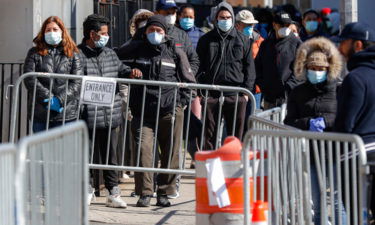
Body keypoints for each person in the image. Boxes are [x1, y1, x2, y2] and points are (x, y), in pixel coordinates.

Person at [119, 15, 196, 207]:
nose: (155, 34)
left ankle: (164, 192)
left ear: (165, 33)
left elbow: (189, 78)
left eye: (159, 31)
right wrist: (130, 71)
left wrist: (182, 102)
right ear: (145, 32)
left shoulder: (175, 51)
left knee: (171, 153)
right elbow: (117, 60)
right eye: (151, 30)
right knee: (143, 150)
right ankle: (145, 192)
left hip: (169, 111)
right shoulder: (137, 48)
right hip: (142, 111)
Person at [78, 14, 140, 208]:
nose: (107, 37)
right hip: (86, 115)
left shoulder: (110, 54)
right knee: (85, 154)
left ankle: (113, 192)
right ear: (92, 34)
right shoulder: (77, 55)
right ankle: (87, 190)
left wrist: (131, 72)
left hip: (109, 114)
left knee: (110, 156)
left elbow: (120, 69)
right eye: (103, 33)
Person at [285, 37, 345, 225]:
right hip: (310, 154)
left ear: (329, 69)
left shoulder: (339, 89)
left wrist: (326, 121)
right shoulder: (298, 92)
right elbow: (289, 121)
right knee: (317, 205)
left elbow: (345, 116)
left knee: (337, 203)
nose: (316, 72)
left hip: (335, 153)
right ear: (306, 68)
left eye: (320, 69)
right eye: (312, 68)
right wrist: (308, 123)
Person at [196, 1, 256, 150]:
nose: (225, 20)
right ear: (216, 19)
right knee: (209, 134)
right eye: (222, 17)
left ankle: (234, 167)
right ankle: (209, 166)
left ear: (233, 19)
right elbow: (198, 65)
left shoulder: (243, 40)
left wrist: (246, 93)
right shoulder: (206, 39)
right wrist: (201, 92)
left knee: (236, 136)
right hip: (212, 94)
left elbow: (250, 68)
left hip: (236, 95)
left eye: (228, 17)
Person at [333, 22, 375, 219]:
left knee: (358, 216)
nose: (340, 49)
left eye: (344, 43)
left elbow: (345, 125)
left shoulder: (355, 78)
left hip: (358, 157)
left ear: (358, 45)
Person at [23, 16, 83, 132]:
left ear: (62, 31)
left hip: (66, 113)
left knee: (63, 149)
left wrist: (59, 100)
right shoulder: (34, 53)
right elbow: (29, 78)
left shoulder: (73, 53)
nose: (51, 32)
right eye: (48, 30)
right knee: (41, 149)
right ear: (43, 32)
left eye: (55, 29)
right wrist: (49, 99)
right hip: (41, 113)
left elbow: (77, 82)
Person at [255, 11, 301, 109]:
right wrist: (264, 85)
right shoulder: (266, 44)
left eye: (287, 25)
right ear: (274, 25)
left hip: (288, 98)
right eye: (281, 25)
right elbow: (258, 67)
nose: (285, 28)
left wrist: (288, 87)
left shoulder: (297, 44)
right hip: (269, 98)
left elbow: (300, 70)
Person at [155, 0, 200, 75]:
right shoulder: (149, 32)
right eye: (167, 13)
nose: (170, 16)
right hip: (152, 82)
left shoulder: (182, 35)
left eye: (173, 13)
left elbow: (194, 60)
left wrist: (186, 76)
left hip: (176, 84)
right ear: (157, 13)